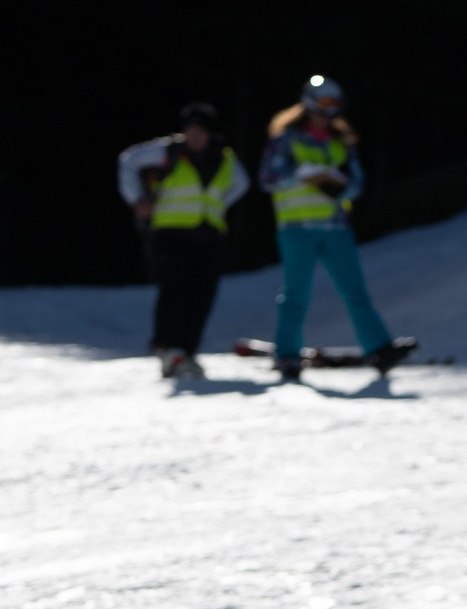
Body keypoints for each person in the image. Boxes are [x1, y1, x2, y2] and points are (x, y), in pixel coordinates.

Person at [259, 75, 405, 382]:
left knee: (355, 291)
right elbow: (268, 179)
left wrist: (339, 186)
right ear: (309, 104)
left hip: (336, 227)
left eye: (334, 106)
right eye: (324, 105)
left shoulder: (340, 141)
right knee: (296, 294)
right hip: (297, 227)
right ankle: (287, 354)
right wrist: (302, 174)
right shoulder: (287, 138)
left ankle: (379, 348)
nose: (328, 113)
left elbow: (357, 183)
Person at [117, 103, 250, 379]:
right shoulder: (166, 151)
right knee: (174, 291)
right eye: (190, 130)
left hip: (209, 235)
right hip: (170, 232)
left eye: (201, 130)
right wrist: (137, 199)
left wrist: (217, 206)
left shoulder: (224, 158)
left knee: (202, 295)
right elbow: (128, 161)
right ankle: (168, 349)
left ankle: (187, 352)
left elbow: (242, 184)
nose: (195, 136)